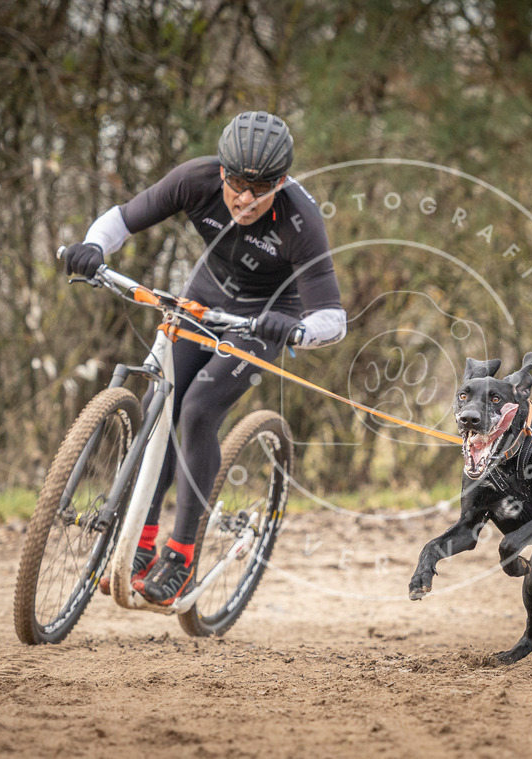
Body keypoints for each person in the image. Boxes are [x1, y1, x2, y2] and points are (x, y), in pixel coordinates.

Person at [63, 111, 346, 605]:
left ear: (280, 182)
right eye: (236, 183)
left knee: (196, 412)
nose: (244, 198)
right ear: (222, 172)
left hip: (266, 318)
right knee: (161, 404)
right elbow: (122, 219)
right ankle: (142, 544)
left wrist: (297, 328)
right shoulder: (195, 178)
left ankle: (182, 554)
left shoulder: (302, 220)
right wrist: (92, 246)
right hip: (203, 298)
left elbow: (333, 318)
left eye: (260, 188)